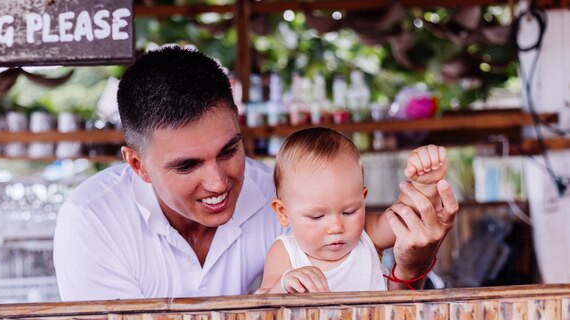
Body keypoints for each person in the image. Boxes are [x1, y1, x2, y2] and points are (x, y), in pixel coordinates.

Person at [54, 45, 459, 301]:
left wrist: (413, 260)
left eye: (229, 151)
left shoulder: (288, 194)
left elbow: (389, 293)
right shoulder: (92, 222)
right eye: (187, 165)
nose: (218, 183)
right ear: (138, 164)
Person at [257, 128, 446, 294]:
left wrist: (424, 184)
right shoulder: (285, 252)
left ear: (362, 198)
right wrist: (284, 283)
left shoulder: (367, 234)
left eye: (348, 212)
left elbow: (406, 217)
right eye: (317, 216)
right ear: (283, 212)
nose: (336, 227)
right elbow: (260, 305)